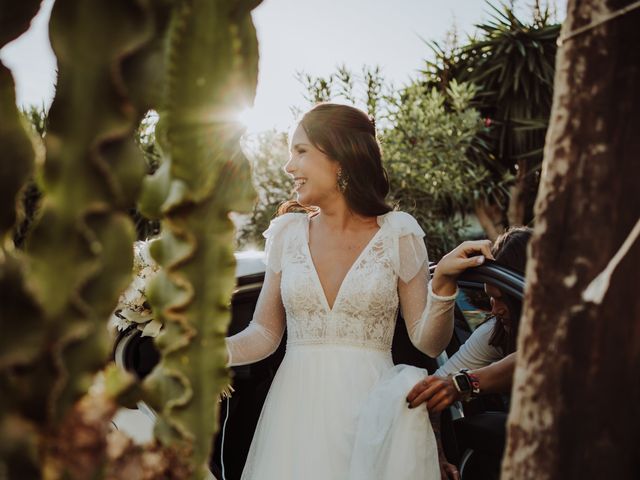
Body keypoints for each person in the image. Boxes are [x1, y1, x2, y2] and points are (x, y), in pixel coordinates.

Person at [225, 103, 492, 480]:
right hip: (294, 419)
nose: (289, 167)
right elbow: (265, 334)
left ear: (339, 157)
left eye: (300, 151)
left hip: (374, 412)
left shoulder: (398, 233)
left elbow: (429, 342)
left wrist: (444, 282)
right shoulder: (287, 234)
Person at [406, 227, 533, 479]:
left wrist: (464, 383)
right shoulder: (495, 333)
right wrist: (437, 457)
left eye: (502, 299)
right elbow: (434, 389)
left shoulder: (576, 327)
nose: (495, 310)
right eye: (490, 298)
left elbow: (534, 359)